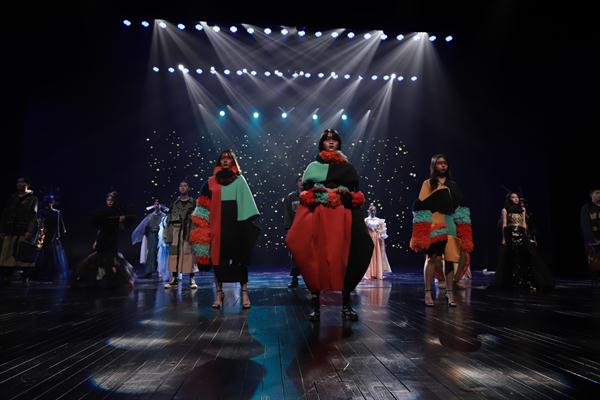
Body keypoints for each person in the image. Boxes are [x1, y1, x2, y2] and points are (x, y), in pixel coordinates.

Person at [286, 129, 373, 321]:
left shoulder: (347, 167)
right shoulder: (313, 167)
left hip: (343, 213)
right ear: (322, 143)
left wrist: (345, 197)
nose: (331, 142)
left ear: (339, 143)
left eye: (334, 140)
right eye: (327, 140)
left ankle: (346, 303)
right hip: (318, 213)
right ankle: (317, 305)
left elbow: (354, 191)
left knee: (353, 251)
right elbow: (306, 191)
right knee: (315, 253)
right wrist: (319, 195)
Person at [190, 150, 260, 308]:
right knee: (218, 261)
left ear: (233, 161)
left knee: (240, 260)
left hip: (236, 226)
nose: (225, 160)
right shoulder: (211, 182)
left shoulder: (240, 180)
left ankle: (244, 292)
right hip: (217, 227)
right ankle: (219, 293)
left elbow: (247, 204)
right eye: (223, 158)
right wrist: (202, 227)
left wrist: (244, 226)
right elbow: (202, 207)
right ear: (219, 161)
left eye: (229, 158)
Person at [410, 154, 473, 307]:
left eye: (445, 163)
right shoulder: (427, 184)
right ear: (434, 166)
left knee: (450, 260)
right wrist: (423, 231)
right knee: (431, 258)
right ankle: (428, 293)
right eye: (439, 163)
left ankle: (450, 294)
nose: (443, 165)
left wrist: (463, 229)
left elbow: (460, 208)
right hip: (435, 223)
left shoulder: (453, 185)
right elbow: (421, 207)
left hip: (450, 223)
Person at [72, 191, 135, 289]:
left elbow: (121, 227)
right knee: (99, 259)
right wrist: (96, 240)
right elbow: (100, 229)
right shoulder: (103, 212)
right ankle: (100, 280)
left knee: (111, 259)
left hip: (112, 239)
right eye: (108, 200)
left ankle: (113, 280)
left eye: (111, 200)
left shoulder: (118, 212)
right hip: (103, 239)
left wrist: (121, 221)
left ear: (115, 201)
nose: (109, 202)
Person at [0, 177, 39, 287]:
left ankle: (25, 277)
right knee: (7, 255)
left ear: (27, 184)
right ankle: (7, 277)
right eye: (18, 182)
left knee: (23, 254)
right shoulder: (13, 198)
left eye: (22, 182)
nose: (19, 184)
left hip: (23, 230)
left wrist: (29, 230)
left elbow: (33, 216)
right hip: (11, 230)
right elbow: (5, 214)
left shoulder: (33, 199)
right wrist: (2, 229)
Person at [164, 181, 197, 289]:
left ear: (188, 188)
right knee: (174, 254)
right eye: (181, 186)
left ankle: (192, 278)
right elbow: (169, 220)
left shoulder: (193, 203)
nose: (183, 187)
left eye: (185, 186)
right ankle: (174, 278)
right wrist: (168, 236)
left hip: (189, 231)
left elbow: (198, 218)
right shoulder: (174, 203)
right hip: (176, 231)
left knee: (189, 254)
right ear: (179, 188)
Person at [131, 199, 168, 278]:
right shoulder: (150, 216)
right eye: (155, 204)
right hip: (152, 235)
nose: (156, 205)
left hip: (161, 236)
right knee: (151, 252)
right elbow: (144, 226)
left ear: (161, 205)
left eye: (158, 204)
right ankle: (149, 270)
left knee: (160, 253)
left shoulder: (164, 216)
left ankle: (160, 270)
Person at [283, 175, 303, 288]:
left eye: (303, 180)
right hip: (295, 229)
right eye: (300, 180)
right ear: (296, 183)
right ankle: (294, 279)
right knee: (295, 254)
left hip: (308, 229)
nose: (302, 182)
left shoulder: (312, 196)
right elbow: (287, 213)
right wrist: (288, 228)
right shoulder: (291, 197)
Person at [363, 203, 391, 279]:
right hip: (369, 238)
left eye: (374, 210)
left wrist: (382, 236)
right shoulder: (366, 220)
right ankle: (369, 273)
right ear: (369, 211)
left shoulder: (379, 220)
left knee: (376, 254)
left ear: (375, 211)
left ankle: (377, 273)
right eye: (371, 210)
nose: (373, 212)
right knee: (369, 255)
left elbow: (382, 231)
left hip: (376, 240)